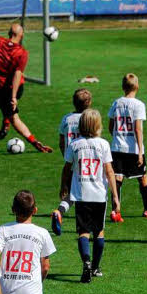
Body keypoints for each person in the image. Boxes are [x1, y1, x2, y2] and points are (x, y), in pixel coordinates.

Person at [59, 109, 120, 283]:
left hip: (81, 195)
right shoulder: (103, 144)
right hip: (99, 195)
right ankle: (95, 267)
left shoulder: (75, 145)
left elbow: (66, 168)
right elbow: (109, 171)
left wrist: (63, 185)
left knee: (83, 232)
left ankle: (85, 261)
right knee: (99, 231)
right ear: (98, 125)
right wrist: (115, 196)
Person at [0, 23, 53, 153]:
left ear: (9, 33)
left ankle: (35, 143)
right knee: (11, 115)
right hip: (15, 88)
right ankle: (10, 124)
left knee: (13, 117)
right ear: (21, 35)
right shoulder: (21, 53)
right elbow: (17, 74)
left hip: (2, 90)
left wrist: (13, 97)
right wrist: (14, 96)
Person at [108, 73, 147, 219]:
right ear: (137, 86)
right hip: (133, 149)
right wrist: (140, 152)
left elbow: (111, 126)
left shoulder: (116, 103)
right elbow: (138, 129)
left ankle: (115, 211)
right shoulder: (138, 105)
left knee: (117, 178)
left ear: (123, 87)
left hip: (117, 147)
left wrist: (118, 137)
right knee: (143, 177)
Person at [51, 88, 92, 235]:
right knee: (86, 192)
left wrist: (66, 157)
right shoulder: (90, 118)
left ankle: (59, 211)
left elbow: (62, 142)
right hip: (87, 161)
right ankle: (85, 223)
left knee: (72, 194)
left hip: (71, 162)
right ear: (90, 103)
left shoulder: (66, 119)